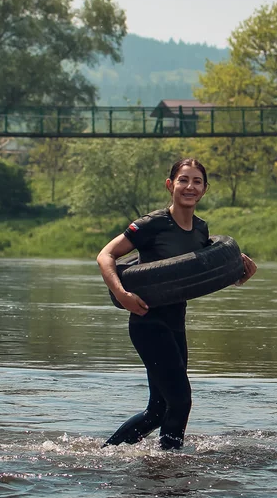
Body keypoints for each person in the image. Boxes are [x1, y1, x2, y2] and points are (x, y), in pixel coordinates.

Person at [97, 158, 257, 450]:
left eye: (197, 181)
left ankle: (108, 453)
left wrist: (239, 276)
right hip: (147, 321)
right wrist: (122, 294)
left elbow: (202, 275)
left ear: (204, 189)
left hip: (175, 324)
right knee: (180, 401)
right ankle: (170, 467)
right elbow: (106, 255)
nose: (190, 187)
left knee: (158, 410)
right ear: (170, 185)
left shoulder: (200, 230)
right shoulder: (152, 224)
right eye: (183, 180)